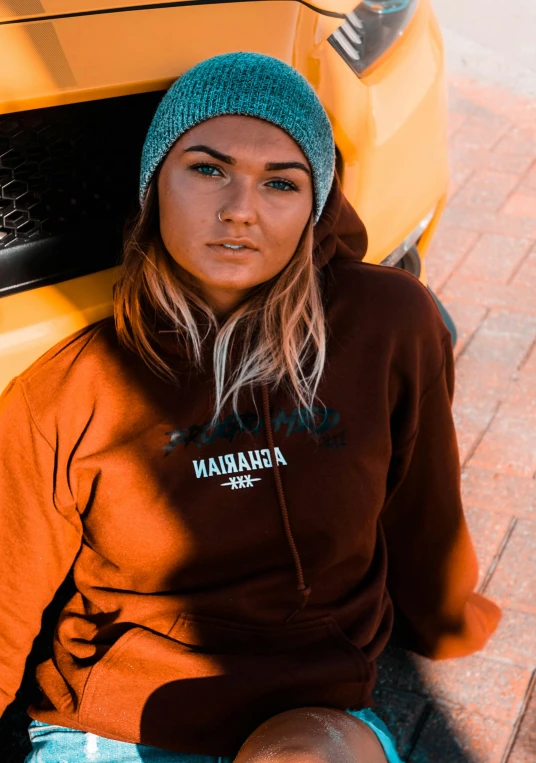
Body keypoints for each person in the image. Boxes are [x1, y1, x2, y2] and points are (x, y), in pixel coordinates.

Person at [0, 53, 501, 763]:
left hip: (307, 709)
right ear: (154, 187)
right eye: (207, 169)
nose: (241, 209)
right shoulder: (70, 388)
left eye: (281, 182)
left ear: (314, 206)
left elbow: (425, 513)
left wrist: (447, 620)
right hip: (120, 718)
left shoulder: (387, 325)